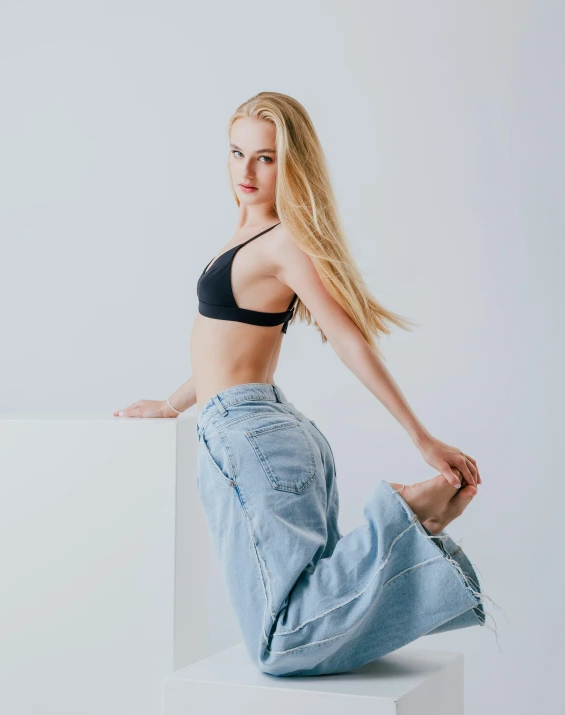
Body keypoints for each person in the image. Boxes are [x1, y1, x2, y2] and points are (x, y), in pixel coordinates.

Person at [113, 91, 498, 676]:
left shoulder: (284, 243)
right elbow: (226, 347)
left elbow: (347, 339)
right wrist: (170, 404)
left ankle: (400, 520)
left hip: (251, 440)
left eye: (265, 158)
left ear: (290, 164)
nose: (246, 170)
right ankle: (412, 536)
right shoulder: (249, 235)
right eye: (237, 152)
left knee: (280, 643)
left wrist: (421, 437)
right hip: (263, 430)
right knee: (310, 602)